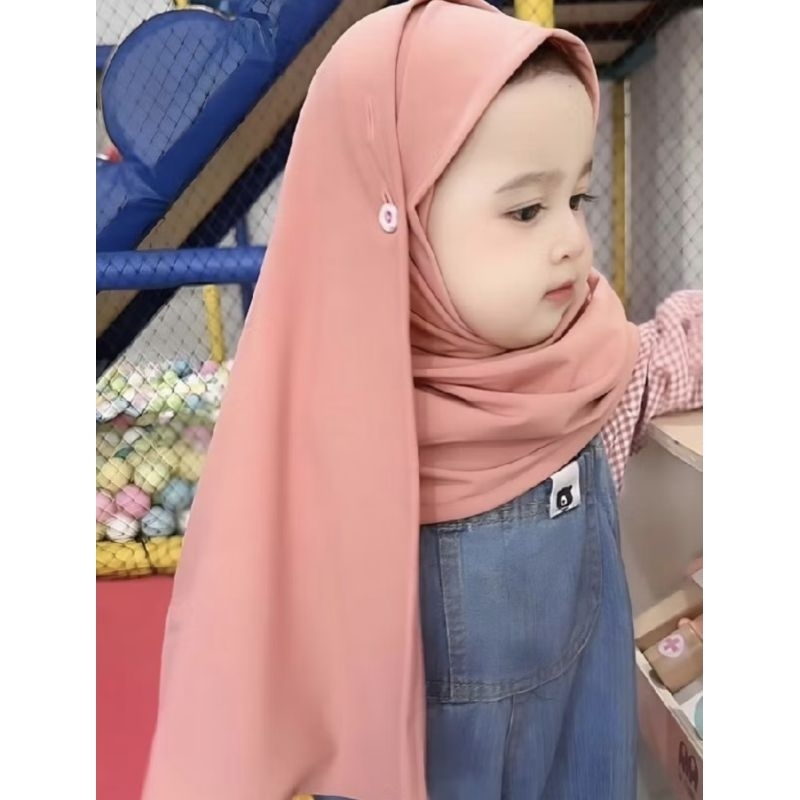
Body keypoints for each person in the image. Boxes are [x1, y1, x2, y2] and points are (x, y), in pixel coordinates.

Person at [142, 1, 702, 798]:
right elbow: (253, 641)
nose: (572, 241)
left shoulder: (589, 373)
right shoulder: (338, 438)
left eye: (577, 199)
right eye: (525, 209)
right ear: (395, 227)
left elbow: (679, 353)